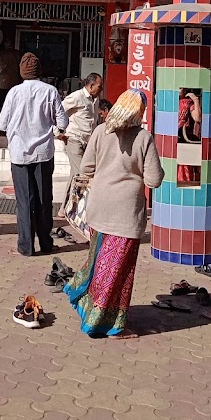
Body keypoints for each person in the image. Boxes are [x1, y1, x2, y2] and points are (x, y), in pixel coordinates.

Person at [63, 90, 164, 338]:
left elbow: (86, 168)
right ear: (139, 111)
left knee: (100, 263)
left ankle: (90, 306)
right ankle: (107, 325)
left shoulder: (100, 131)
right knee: (119, 271)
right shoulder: (143, 137)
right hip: (125, 215)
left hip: (99, 209)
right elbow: (154, 180)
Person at [0, 52, 69, 257]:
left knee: (24, 200)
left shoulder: (13, 93)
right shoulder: (50, 91)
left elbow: (1, 123)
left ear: (21, 72)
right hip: (44, 153)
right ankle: (46, 243)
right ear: (39, 71)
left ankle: (26, 246)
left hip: (19, 154)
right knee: (44, 198)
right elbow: (62, 123)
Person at [58, 73, 103, 214]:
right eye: (99, 86)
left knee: (75, 175)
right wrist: (58, 132)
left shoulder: (95, 100)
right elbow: (58, 110)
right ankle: (82, 210)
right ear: (91, 86)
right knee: (82, 175)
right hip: (74, 139)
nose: (101, 89)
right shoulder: (77, 96)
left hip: (87, 142)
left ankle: (65, 209)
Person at [0, 37, 22, 109]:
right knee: (14, 104)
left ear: (5, 44)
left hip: (3, 82)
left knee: (3, 103)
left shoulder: (1, 54)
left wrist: (0, 71)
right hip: (15, 82)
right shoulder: (17, 54)